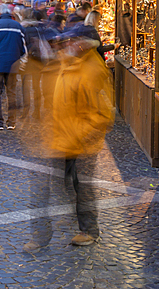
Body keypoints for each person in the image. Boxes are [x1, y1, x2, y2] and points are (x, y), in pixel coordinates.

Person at [25, 32, 115, 252]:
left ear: (84, 45)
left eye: (71, 42)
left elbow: (102, 114)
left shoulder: (92, 71)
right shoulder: (66, 64)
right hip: (61, 137)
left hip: (81, 141)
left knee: (82, 186)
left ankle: (89, 231)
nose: (66, 45)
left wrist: (79, 134)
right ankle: (42, 235)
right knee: (51, 187)